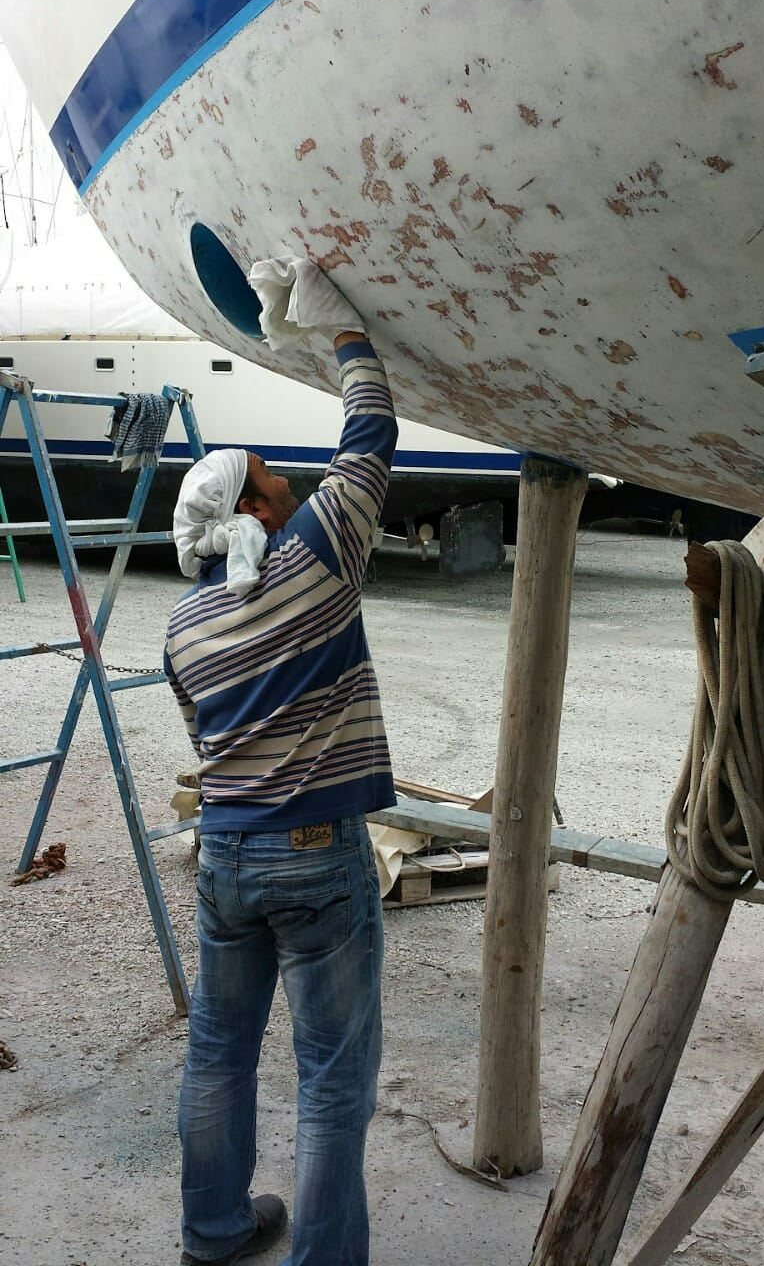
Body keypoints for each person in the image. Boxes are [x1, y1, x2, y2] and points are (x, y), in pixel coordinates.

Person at [164, 263, 398, 1266]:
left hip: (224, 858)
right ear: (257, 509)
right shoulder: (316, 554)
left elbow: (208, 748)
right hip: (315, 857)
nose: (290, 480)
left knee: (217, 1053)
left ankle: (212, 1232)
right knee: (332, 1079)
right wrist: (341, 335)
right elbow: (371, 435)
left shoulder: (182, 626)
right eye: (272, 474)